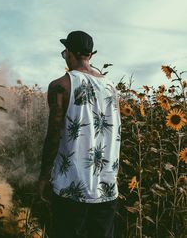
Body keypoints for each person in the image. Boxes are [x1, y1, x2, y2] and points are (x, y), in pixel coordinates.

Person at [38, 30, 121, 238]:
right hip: (107, 187)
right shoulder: (111, 88)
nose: (64, 55)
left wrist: (43, 176)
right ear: (90, 55)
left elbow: (53, 135)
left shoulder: (61, 86)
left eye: (65, 51)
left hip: (70, 187)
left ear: (69, 53)